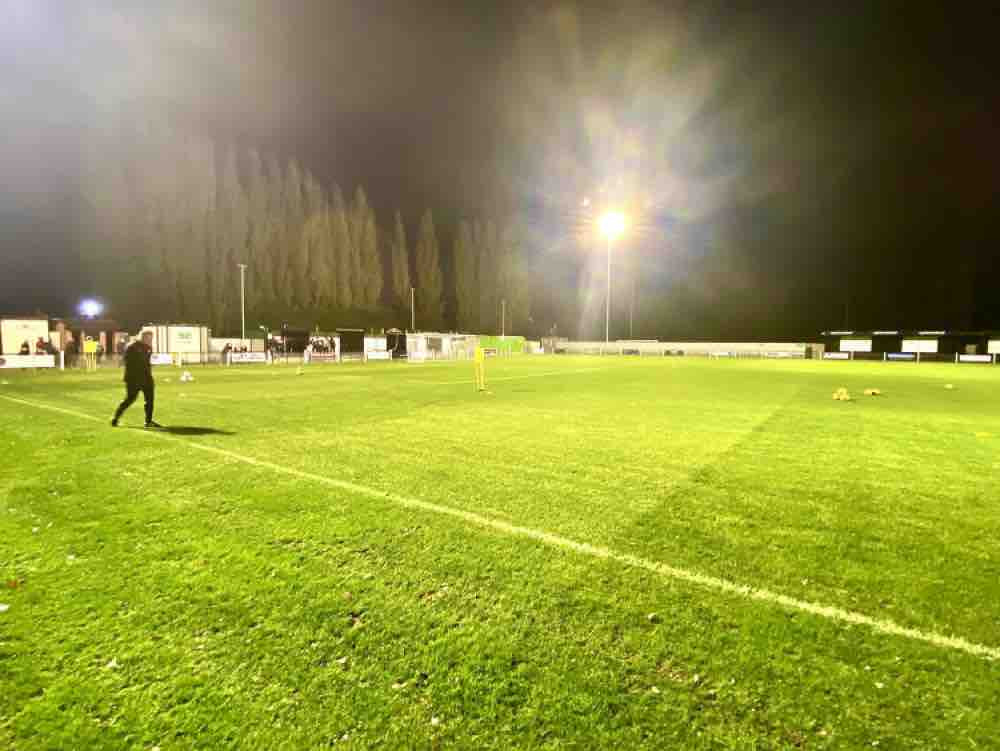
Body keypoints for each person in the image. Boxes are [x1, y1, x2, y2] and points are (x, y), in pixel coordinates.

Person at [111, 332, 162, 428]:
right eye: (148, 338)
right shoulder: (132, 347)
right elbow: (127, 361)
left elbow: (147, 362)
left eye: (151, 338)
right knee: (130, 399)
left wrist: (151, 365)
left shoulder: (149, 348)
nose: (150, 340)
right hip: (133, 378)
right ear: (142, 337)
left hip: (147, 377)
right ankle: (115, 418)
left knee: (150, 400)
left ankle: (148, 421)